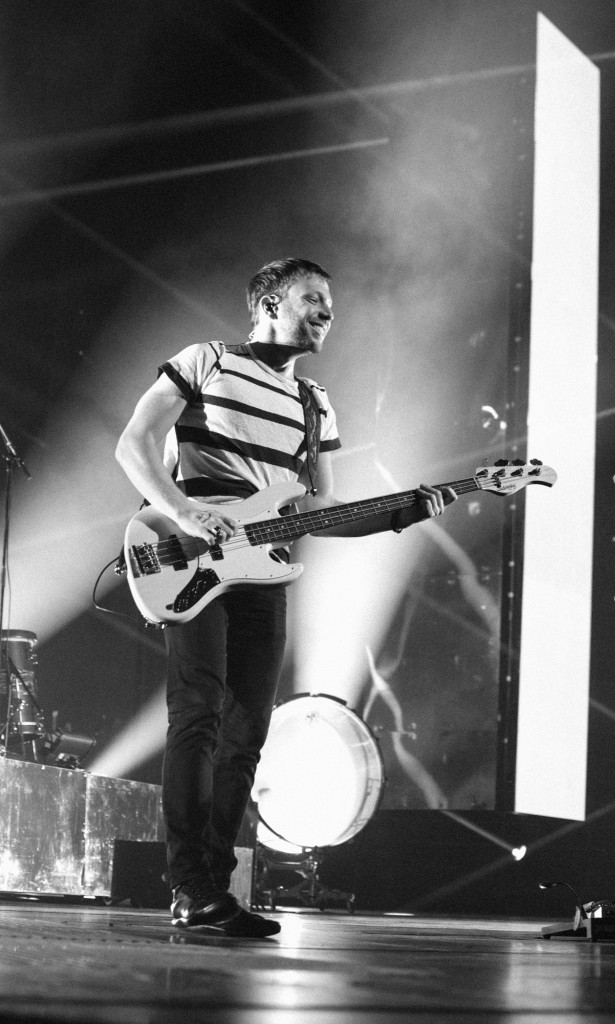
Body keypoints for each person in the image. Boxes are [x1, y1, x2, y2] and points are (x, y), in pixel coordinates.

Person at [115, 257, 455, 935]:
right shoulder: (206, 359)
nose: (329, 309)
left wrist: (412, 507)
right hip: (191, 559)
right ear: (269, 302)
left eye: (332, 300)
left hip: (263, 572)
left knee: (248, 733)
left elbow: (321, 511)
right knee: (199, 712)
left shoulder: (314, 402)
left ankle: (212, 888)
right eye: (313, 297)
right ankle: (187, 884)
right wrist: (184, 512)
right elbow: (133, 445)